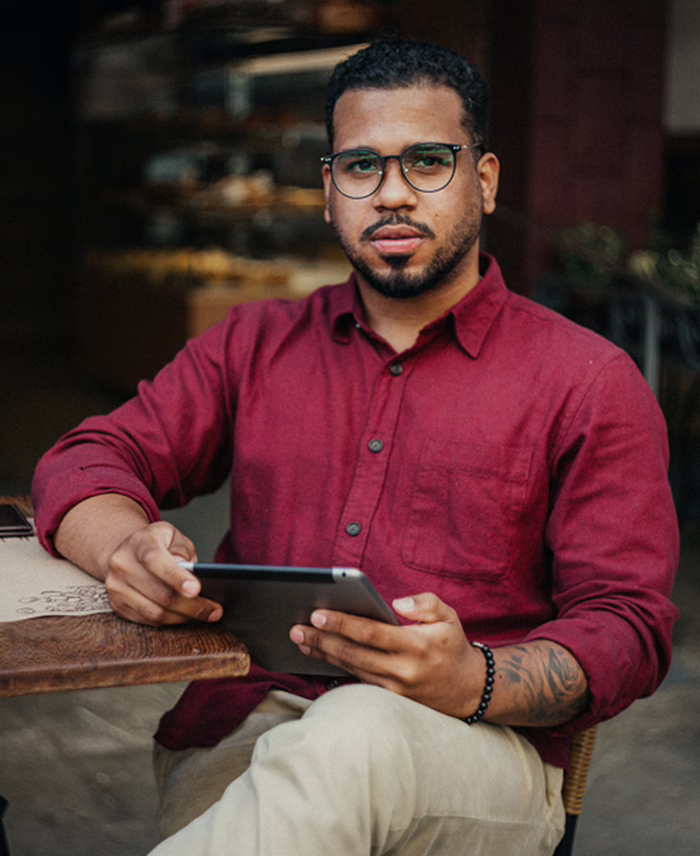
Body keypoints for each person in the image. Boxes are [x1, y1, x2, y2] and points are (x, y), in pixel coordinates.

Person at [33, 39, 678, 856]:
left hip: (480, 746)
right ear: (328, 191)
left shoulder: (588, 380)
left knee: (362, 726)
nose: (393, 194)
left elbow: (629, 627)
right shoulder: (255, 342)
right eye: (362, 167)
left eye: (428, 162)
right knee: (317, 762)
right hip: (248, 729)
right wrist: (122, 546)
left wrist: (470, 677)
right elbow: (88, 458)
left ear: (483, 179)